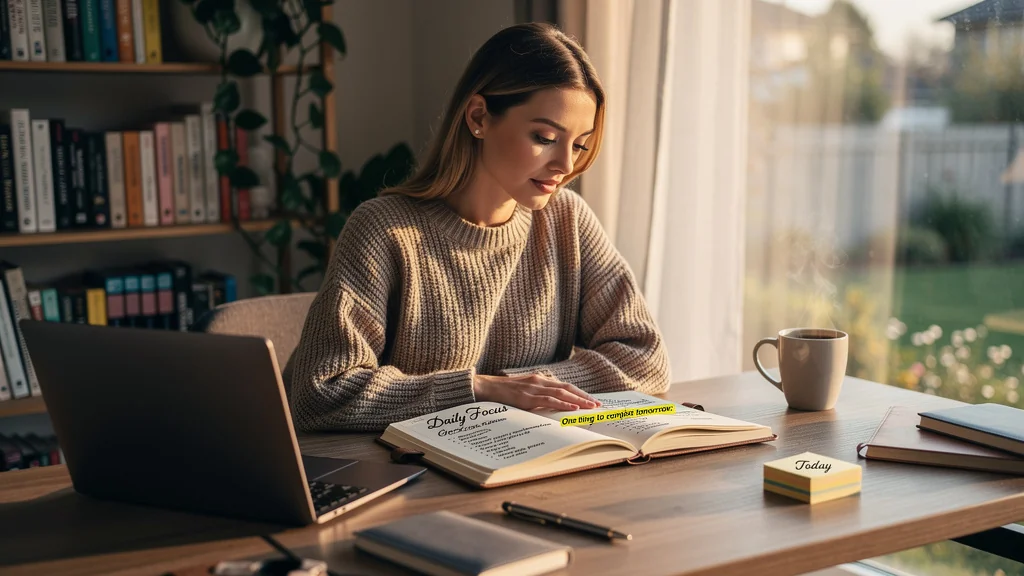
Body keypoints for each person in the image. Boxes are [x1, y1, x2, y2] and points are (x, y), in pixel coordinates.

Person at [290, 22, 670, 432]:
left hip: (524, 464)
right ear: (478, 117)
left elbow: (645, 358)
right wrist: (477, 391)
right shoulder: (383, 231)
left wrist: (524, 389)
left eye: (579, 144)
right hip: (413, 481)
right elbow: (320, 392)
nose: (566, 165)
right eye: (545, 136)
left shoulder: (567, 221)